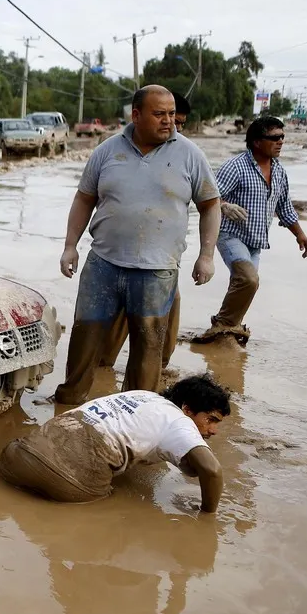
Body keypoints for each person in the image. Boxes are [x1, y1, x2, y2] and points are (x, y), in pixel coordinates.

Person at [54, 85, 221, 406]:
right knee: (85, 338)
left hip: (157, 271)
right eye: (159, 114)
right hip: (103, 264)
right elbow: (83, 198)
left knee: (148, 347)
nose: (168, 121)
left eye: (172, 114)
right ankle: (68, 405)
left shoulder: (190, 155)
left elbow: (211, 205)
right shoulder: (107, 150)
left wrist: (207, 255)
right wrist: (70, 246)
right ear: (136, 115)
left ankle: (135, 411)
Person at [0, 373, 231, 512]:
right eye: (210, 420)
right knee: (116, 509)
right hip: (66, 485)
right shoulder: (181, 422)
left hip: (16, 458)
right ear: (187, 409)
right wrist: (207, 515)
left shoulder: (142, 395)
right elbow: (212, 471)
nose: (213, 430)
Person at [193, 116, 307, 344]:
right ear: (257, 142)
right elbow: (209, 198)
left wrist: (300, 234)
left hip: (256, 240)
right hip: (230, 234)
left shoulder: (279, 171)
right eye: (275, 137)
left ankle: (227, 331)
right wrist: (225, 206)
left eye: (282, 137)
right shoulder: (235, 167)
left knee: (245, 285)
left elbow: (284, 207)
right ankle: (223, 327)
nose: (281, 142)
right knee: (248, 280)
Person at [99, 90, 192, 370]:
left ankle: (158, 365)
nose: (173, 125)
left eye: (178, 120)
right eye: (164, 116)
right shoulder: (117, 149)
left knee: (168, 304)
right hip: (123, 254)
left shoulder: (185, 152)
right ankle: (104, 362)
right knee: (122, 311)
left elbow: (204, 195)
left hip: (164, 256)